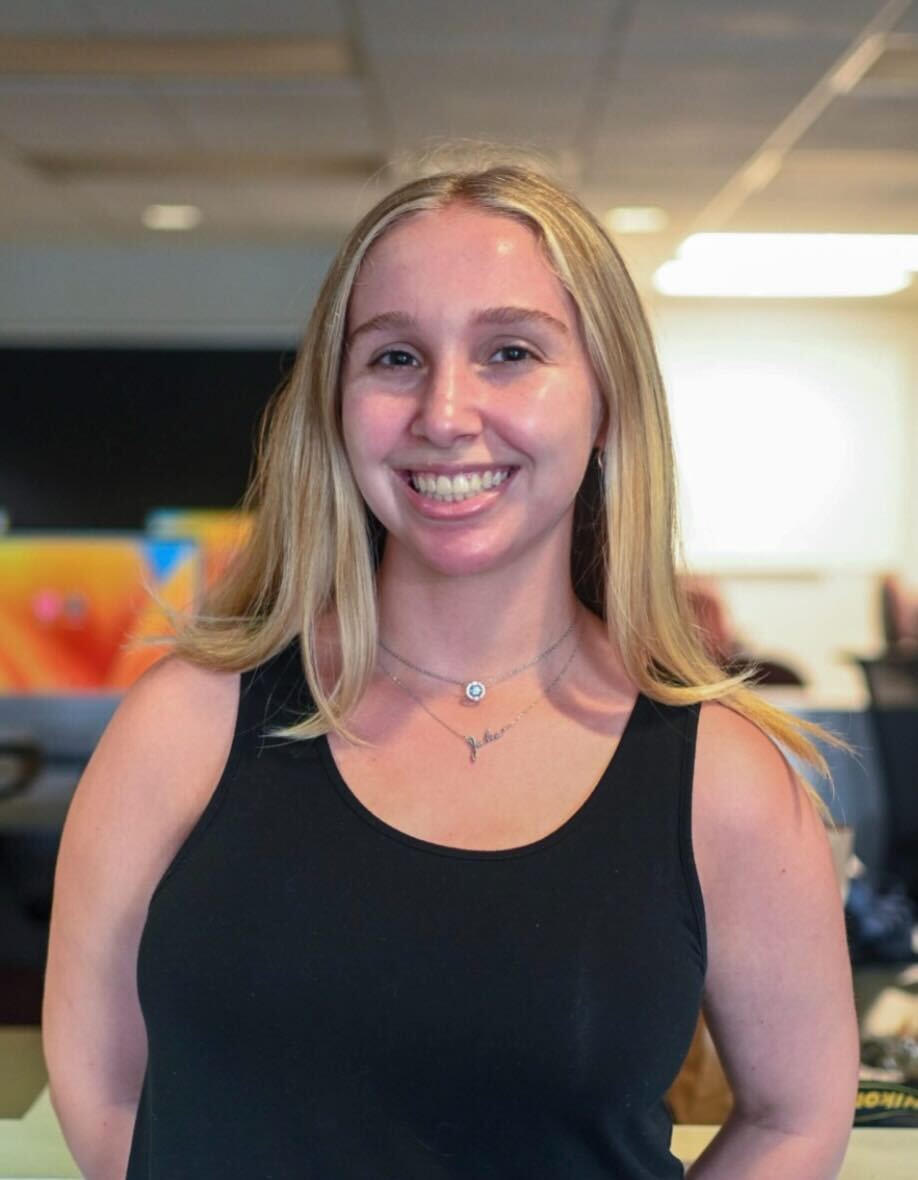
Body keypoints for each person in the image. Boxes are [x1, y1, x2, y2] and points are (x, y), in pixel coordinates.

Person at [42, 158, 860, 1179]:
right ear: (336, 404)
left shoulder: (723, 778)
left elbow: (798, 1115)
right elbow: (103, 1082)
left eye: (510, 351)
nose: (445, 410)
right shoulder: (184, 725)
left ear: (606, 400)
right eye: (393, 358)